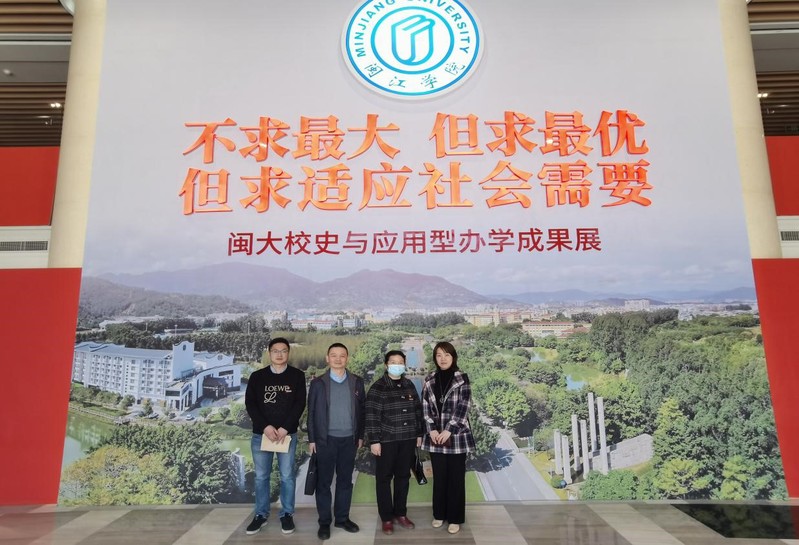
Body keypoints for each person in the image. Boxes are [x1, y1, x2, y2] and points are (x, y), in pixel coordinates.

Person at [244, 337, 307, 535]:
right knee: (262, 476)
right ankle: (260, 515)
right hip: (261, 435)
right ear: (269, 353)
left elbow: (299, 403)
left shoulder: (297, 376)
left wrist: (285, 428)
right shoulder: (257, 376)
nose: (279, 354)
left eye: (283, 351)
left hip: (286, 435)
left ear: (288, 353)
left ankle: (287, 514)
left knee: (287, 476)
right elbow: (250, 403)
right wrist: (265, 427)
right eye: (275, 351)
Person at [307, 342, 366, 541]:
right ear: (327, 358)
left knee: (345, 482)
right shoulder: (318, 383)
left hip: (349, 440)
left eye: (342, 355)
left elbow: (363, 410)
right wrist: (312, 439)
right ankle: (324, 522)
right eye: (334, 355)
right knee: (323, 483)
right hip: (325, 440)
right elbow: (311, 412)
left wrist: (360, 435)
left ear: (347, 358)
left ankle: (342, 518)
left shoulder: (357, 382)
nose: (338, 359)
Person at [365, 350, 423, 535]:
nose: (397, 365)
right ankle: (387, 518)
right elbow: (371, 416)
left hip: (408, 439)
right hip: (386, 441)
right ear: (386, 365)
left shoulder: (409, 384)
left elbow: (417, 411)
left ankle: (401, 513)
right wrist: (374, 441)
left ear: (404, 365)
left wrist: (419, 434)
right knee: (383, 479)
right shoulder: (378, 387)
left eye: (400, 362)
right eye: (393, 362)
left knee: (403, 477)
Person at [421, 341, 475, 535]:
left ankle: (455, 518)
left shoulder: (462, 379)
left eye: (447, 355)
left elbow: (464, 406)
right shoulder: (429, 379)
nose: (442, 359)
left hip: (456, 437)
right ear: (435, 358)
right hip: (435, 437)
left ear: (453, 357)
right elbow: (425, 406)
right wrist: (432, 430)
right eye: (439, 355)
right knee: (440, 478)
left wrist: (449, 430)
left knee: (456, 479)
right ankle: (439, 514)